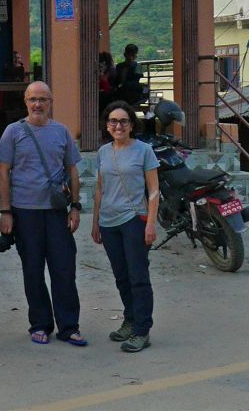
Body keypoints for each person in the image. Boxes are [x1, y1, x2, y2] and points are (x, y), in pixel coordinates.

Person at [0, 81, 86, 346]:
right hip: (25, 213)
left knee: (64, 270)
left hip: (57, 212)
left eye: (42, 99)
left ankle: (69, 327)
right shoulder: (13, 132)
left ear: (50, 102)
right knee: (32, 271)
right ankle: (40, 323)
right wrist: (5, 211)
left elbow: (73, 171)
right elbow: (3, 173)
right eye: (33, 99)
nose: (37, 104)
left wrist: (76, 207)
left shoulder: (61, 132)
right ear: (25, 102)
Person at [91, 100, 159, 353]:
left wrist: (150, 223)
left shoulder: (143, 151)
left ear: (131, 125)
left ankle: (142, 330)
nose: (118, 125)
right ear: (107, 125)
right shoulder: (103, 152)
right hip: (108, 223)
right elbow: (100, 189)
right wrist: (95, 221)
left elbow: (153, 190)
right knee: (121, 277)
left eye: (123, 121)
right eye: (113, 121)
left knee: (138, 277)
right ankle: (130, 320)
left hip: (134, 220)